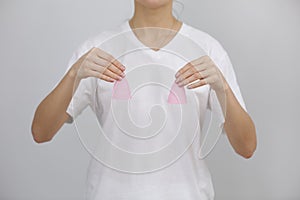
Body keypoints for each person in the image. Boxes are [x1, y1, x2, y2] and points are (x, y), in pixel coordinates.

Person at [31, 0, 257, 199]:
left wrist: (223, 87)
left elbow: (246, 147)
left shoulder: (207, 49)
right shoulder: (96, 50)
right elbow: (41, 132)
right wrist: (74, 73)